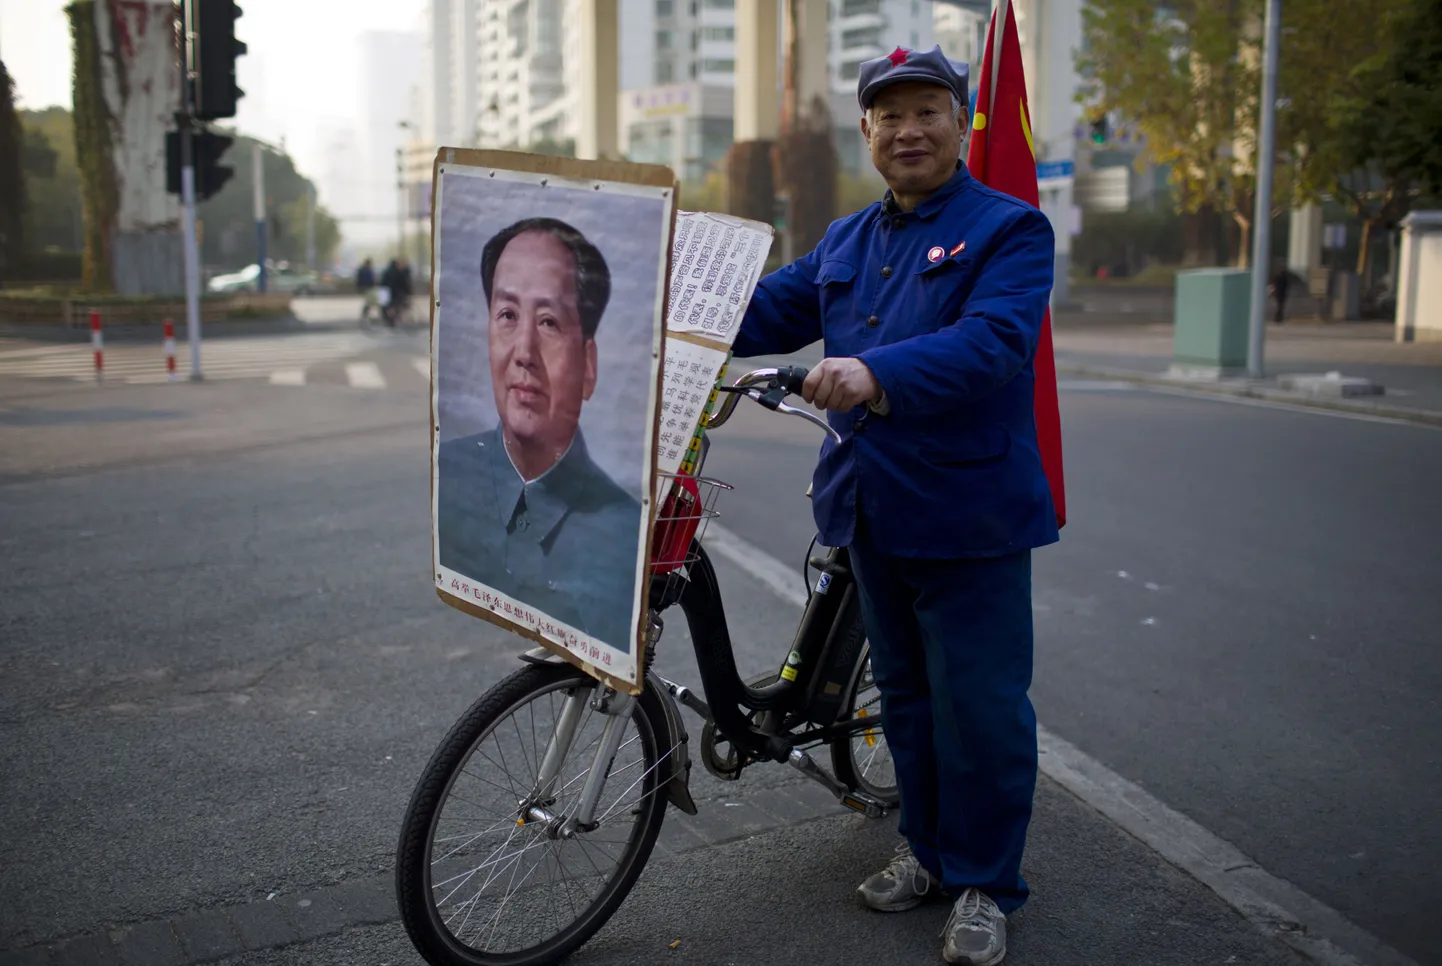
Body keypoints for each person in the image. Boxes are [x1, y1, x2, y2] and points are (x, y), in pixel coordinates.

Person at [730, 45, 1058, 966]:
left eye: (927, 112)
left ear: (960, 124)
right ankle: (926, 850)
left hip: (970, 513)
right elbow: (759, 313)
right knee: (906, 702)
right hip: (870, 508)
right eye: (888, 115)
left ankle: (988, 883)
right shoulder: (847, 240)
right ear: (867, 131)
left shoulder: (1010, 230)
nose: (907, 130)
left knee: (982, 709)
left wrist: (874, 371)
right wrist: (655, 295)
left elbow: (993, 342)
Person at [435, 217, 643, 653]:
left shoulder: (624, 534)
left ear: (588, 365)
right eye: (507, 315)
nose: (524, 352)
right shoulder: (448, 475)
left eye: (549, 322)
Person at [356, 257, 377, 322]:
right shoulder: (367, 270)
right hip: (367, 288)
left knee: (369, 302)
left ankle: (365, 314)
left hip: (366, 288)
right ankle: (365, 314)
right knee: (369, 302)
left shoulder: (363, 270)